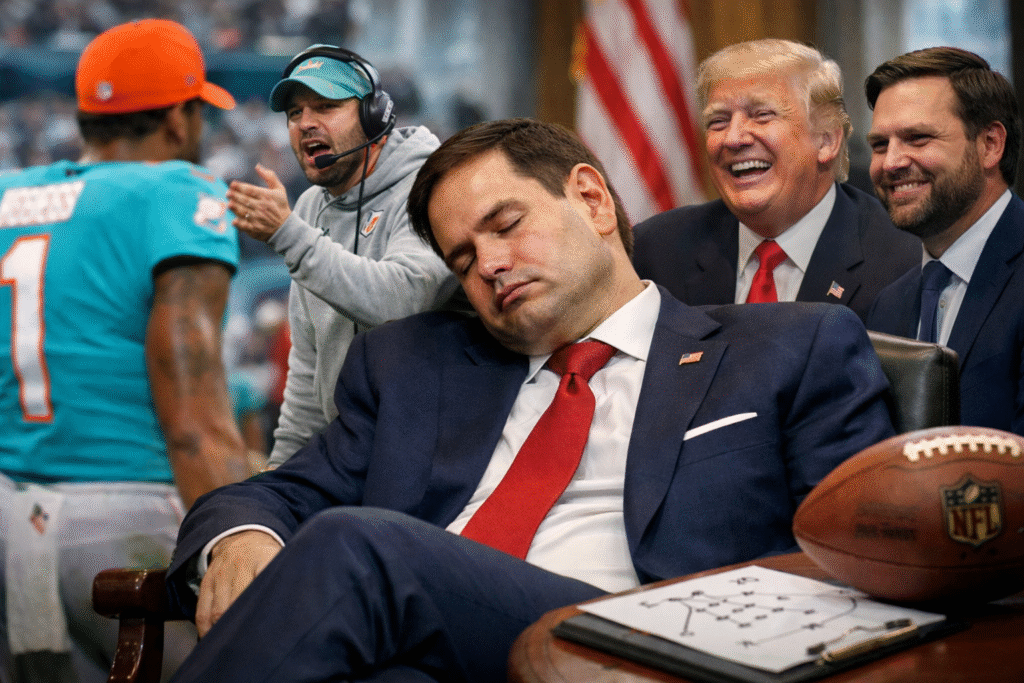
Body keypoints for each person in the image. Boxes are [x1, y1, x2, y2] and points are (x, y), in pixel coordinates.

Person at [164, 118, 895, 683]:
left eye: (505, 225)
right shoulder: (412, 366)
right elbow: (273, 495)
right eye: (461, 258)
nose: (488, 265)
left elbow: (859, 566)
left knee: (357, 545)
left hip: (659, 647)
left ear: (591, 197)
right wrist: (242, 537)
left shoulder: (790, 347)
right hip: (439, 649)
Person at [0, 19, 254, 683]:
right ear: (177, 118)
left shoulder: (7, 195)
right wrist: (243, 540)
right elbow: (195, 422)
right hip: (121, 522)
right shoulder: (179, 193)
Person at [225, 44, 461, 466]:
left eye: (326, 106)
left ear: (376, 115)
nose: (305, 124)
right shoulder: (310, 208)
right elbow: (307, 375)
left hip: (439, 458)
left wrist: (288, 235)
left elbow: (402, 300)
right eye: (295, 113)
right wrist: (281, 480)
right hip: (352, 457)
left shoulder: (429, 187)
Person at [632, 38, 919, 323]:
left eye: (762, 115)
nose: (733, 138)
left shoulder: (904, 262)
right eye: (718, 121)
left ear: (826, 141)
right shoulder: (657, 250)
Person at [864, 47, 1024, 435]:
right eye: (880, 144)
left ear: (990, 144)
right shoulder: (890, 304)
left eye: (917, 138)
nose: (891, 163)